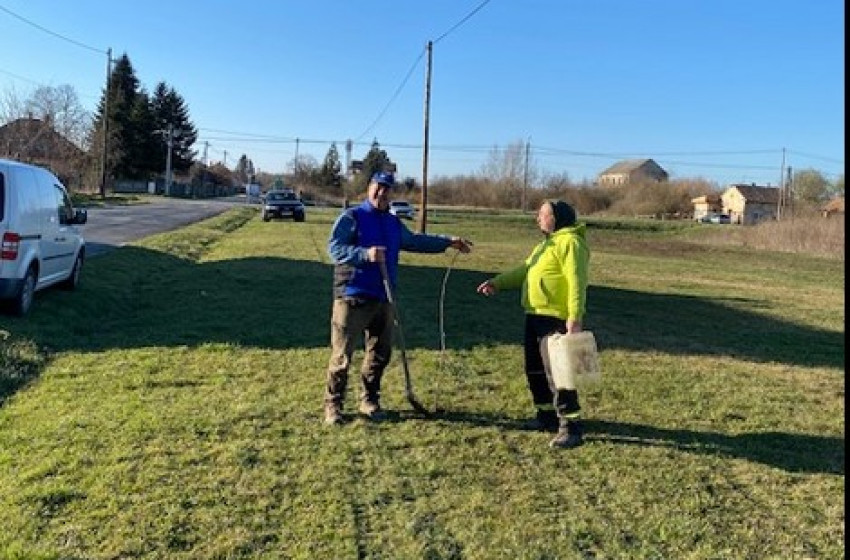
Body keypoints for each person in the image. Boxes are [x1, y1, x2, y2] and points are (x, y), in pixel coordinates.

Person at [323, 171, 472, 425]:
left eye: (387, 189)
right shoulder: (352, 217)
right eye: (378, 187)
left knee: (380, 353)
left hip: (384, 297)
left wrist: (447, 242)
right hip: (352, 296)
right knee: (342, 356)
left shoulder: (392, 223)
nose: (382, 193)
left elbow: (415, 241)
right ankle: (333, 405)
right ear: (369, 188)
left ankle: (369, 399)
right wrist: (364, 254)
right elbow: (334, 247)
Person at [477, 200, 590, 449]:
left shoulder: (571, 243)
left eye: (542, 214)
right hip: (534, 315)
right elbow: (525, 271)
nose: (537, 219)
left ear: (556, 218)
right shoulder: (545, 245)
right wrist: (498, 282)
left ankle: (571, 428)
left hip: (555, 319)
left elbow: (576, 282)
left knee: (559, 375)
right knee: (535, 370)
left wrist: (574, 317)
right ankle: (545, 416)